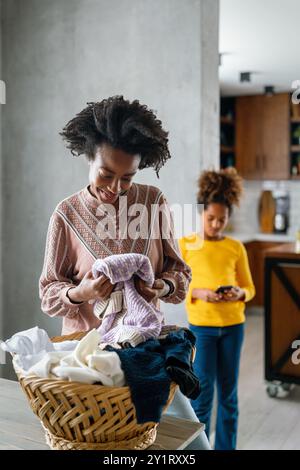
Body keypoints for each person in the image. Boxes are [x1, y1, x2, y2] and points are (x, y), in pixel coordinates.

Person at [39, 95, 211, 450]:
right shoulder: (66, 215)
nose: (115, 188)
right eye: (106, 173)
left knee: (194, 445)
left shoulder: (153, 202)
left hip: (146, 355)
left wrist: (160, 288)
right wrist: (81, 294)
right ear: (88, 157)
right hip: (89, 364)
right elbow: (48, 292)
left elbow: (179, 273)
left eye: (127, 178)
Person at [179, 168, 255, 450]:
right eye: (211, 218)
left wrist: (239, 293)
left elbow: (250, 289)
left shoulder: (236, 248)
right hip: (202, 328)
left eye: (221, 220)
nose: (215, 225)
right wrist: (198, 292)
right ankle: (201, 448)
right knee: (201, 396)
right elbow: (177, 287)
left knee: (229, 396)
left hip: (233, 327)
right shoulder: (186, 246)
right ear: (201, 213)